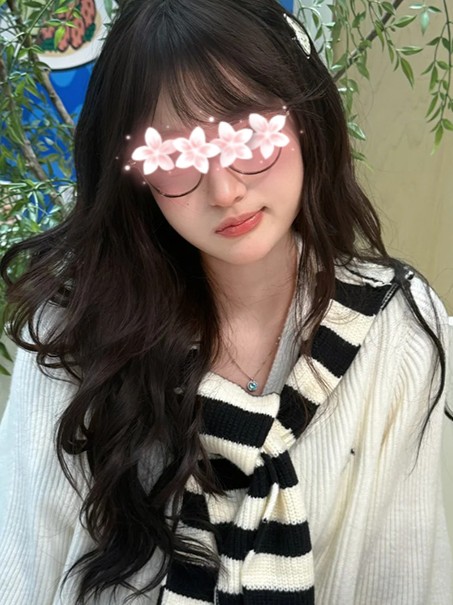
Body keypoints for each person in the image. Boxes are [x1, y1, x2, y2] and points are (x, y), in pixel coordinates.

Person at [0, 0, 451, 603]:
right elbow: (21, 564)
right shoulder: (76, 327)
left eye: (248, 133)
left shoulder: (398, 328)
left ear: (305, 117)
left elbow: (406, 576)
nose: (224, 188)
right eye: (175, 155)